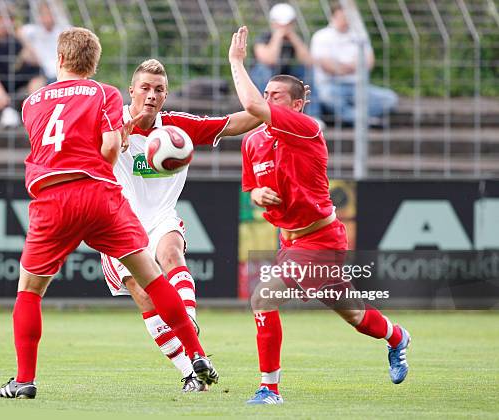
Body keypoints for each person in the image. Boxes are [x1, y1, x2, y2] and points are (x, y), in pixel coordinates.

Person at [0, 28, 218, 399]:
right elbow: (109, 147)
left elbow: (50, 146)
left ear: (59, 59)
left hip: (52, 198)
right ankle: (198, 354)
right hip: (98, 194)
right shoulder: (104, 93)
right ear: (93, 64)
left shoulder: (31, 103)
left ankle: (24, 380)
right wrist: (109, 157)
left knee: (29, 291)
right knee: (154, 279)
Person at [228, 26, 410, 405]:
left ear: (296, 106)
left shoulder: (306, 129)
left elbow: (250, 107)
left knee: (263, 298)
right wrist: (258, 194)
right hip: (289, 240)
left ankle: (269, 389)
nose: (267, 101)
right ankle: (396, 336)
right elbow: (254, 189)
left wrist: (235, 61)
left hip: (321, 240)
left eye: (276, 97)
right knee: (355, 315)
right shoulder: (253, 141)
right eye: (266, 94)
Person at [99, 59, 262, 392]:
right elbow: (88, 160)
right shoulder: (110, 125)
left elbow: (244, 120)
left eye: (159, 90)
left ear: (166, 94)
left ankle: (188, 323)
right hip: (118, 221)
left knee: (172, 252)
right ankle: (191, 371)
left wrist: (264, 101)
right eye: (144, 88)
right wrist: (117, 142)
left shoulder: (177, 127)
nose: (151, 95)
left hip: (161, 216)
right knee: (145, 298)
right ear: (131, 91)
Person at [310, 2, 398, 126]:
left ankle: (352, 117)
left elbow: (370, 62)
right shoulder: (321, 36)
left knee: (390, 99)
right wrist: (354, 65)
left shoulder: (359, 35)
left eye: (348, 16)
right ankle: (364, 120)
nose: (345, 20)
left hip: (358, 86)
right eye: (342, 17)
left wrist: (341, 66)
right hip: (331, 86)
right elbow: (327, 66)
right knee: (327, 98)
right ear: (333, 17)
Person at [249, 3, 321, 120]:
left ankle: (313, 116)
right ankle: (266, 111)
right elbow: (269, 60)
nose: (285, 27)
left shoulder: (294, 38)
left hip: (284, 75)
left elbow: (308, 61)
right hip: (263, 78)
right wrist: (278, 36)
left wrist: (293, 37)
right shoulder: (264, 38)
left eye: (288, 24)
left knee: (307, 71)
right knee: (264, 69)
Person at [20, 0, 70, 84]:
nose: (47, 17)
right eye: (43, 14)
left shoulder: (63, 30)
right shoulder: (34, 30)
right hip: (42, 72)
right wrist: (29, 48)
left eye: (49, 13)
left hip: (62, 72)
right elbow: (18, 30)